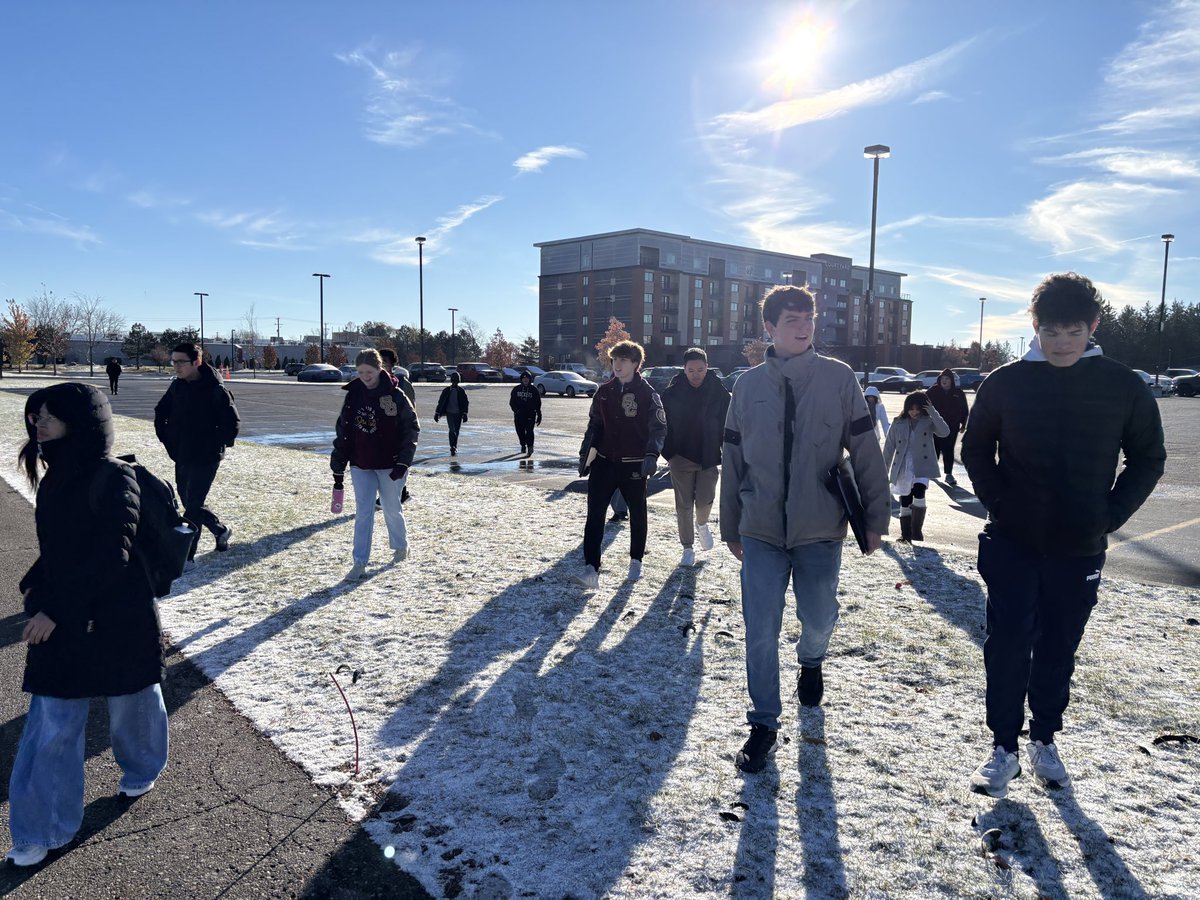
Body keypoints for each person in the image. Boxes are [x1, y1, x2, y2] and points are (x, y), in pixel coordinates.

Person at [962, 272, 1165, 799]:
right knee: (1006, 643)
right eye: (1051, 332)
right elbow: (976, 449)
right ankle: (1003, 746)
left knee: (1057, 647)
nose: (1061, 343)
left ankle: (1044, 739)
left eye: (1073, 331)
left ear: (1093, 327)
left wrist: (1108, 516)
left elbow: (1149, 459)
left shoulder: (1122, 385)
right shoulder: (1004, 382)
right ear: (1035, 326)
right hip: (1011, 540)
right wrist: (1001, 503)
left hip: (1079, 547)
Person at [720, 284, 889, 774]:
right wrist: (730, 522)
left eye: (808, 318)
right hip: (760, 527)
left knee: (819, 616)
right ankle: (763, 724)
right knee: (760, 629)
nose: (803, 327)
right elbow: (732, 459)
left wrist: (876, 516)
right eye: (792, 319)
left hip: (820, 526)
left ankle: (811, 661)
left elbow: (864, 450)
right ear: (769, 327)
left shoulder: (839, 378)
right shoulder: (747, 387)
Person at [7, 384, 168, 867]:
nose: (38, 424)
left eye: (49, 416)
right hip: (68, 613)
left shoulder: (114, 477)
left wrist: (55, 610)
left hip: (119, 615)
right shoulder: (55, 475)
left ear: (81, 422)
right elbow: (63, 548)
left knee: (134, 701)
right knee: (52, 723)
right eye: (34, 416)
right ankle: (42, 827)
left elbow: (110, 556)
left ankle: (143, 768)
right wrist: (37, 587)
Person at [575, 340, 666, 588]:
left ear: (636, 364)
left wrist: (651, 455)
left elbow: (658, 428)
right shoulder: (603, 392)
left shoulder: (648, 394)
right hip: (604, 464)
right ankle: (590, 567)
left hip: (634, 465)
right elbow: (594, 426)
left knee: (638, 515)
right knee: (594, 515)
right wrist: (585, 455)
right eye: (615, 360)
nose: (618, 364)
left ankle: (636, 561)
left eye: (623, 360)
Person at [330, 349, 420, 580]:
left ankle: (400, 547)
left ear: (380, 369)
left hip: (391, 465)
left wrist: (403, 462)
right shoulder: (353, 395)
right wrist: (339, 457)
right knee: (363, 512)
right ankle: (359, 562)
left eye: (369, 371)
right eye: (360, 372)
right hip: (361, 463)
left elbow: (411, 428)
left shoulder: (396, 395)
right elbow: (344, 428)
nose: (365, 376)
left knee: (391, 508)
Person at [154, 342, 239, 564]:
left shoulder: (215, 389)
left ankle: (186, 558)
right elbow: (160, 411)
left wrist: (214, 444)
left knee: (192, 506)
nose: (176, 366)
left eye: (181, 362)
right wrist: (166, 437)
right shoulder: (177, 387)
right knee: (190, 502)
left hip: (206, 456)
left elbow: (232, 424)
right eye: (173, 361)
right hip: (182, 453)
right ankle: (221, 530)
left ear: (197, 362)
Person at [660, 347, 731, 567]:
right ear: (684, 369)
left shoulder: (719, 392)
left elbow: (727, 425)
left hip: (709, 455)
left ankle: (702, 524)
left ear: (707, 367)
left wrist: (727, 451)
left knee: (705, 499)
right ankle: (687, 548)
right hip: (680, 456)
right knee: (683, 504)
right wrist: (669, 453)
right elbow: (662, 425)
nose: (696, 374)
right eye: (691, 370)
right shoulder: (671, 393)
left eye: (700, 369)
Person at [882, 390, 950, 542]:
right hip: (903, 466)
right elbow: (889, 447)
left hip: (922, 465)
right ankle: (905, 535)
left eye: (918, 409)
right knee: (905, 498)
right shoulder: (898, 422)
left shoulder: (928, 421)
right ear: (906, 408)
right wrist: (884, 469)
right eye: (911, 409)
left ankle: (916, 532)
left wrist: (932, 411)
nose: (915, 412)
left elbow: (945, 432)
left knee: (919, 492)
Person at [377, 348, 413, 503]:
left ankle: (394, 496)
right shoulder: (373, 383)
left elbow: (410, 413)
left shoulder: (401, 385)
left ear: (392, 364)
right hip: (379, 434)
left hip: (397, 434)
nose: (382, 366)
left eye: (385, 362)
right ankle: (401, 494)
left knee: (397, 465)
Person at [925, 368, 969, 485]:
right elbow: (923, 404)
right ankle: (930, 472)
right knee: (935, 449)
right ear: (939, 380)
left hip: (952, 426)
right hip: (935, 425)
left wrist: (963, 424)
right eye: (942, 379)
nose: (944, 381)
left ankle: (948, 474)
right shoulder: (932, 392)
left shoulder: (958, 393)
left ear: (951, 380)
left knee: (948, 449)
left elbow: (964, 409)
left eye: (947, 379)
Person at [434, 372, 469, 456]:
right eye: (453, 381)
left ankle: (454, 445)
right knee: (452, 429)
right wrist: (437, 413)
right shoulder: (446, 391)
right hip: (449, 413)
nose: (455, 383)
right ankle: (452, 446)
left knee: (456, 431)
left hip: (458, 413)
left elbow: (465, 403)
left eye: (456, 381)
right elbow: (441, 402)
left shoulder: (461, 391)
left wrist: (465, 413)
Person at [509, 370, 542, 456]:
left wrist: (539, 414)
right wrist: (516, 411)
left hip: (530, 415)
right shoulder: (516, 390)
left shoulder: (534, 390)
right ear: (521, 380)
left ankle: (530, 446)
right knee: (520, 432)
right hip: (519, 415)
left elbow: (538, 403)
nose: (525, 380)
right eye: (524, 379)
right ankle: (523, 445)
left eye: (527, 378)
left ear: (530, 379)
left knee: (529, 431)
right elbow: (512, 402)